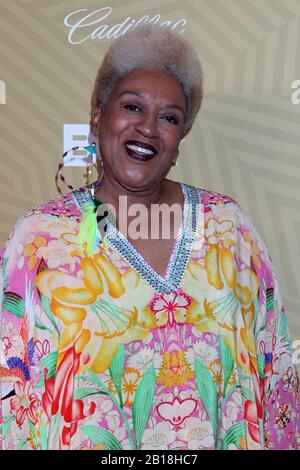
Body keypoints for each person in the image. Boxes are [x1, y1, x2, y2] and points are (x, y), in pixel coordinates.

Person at [0, 23, 299, 451]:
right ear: (99, 116)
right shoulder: (40, 240)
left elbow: (276, 375)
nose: (148, 127)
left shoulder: (228, 228)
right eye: (133, 106)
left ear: (180, 141)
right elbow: (9, 390)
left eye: (169, 117)